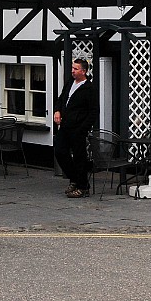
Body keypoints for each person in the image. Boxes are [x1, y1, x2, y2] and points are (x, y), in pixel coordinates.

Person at [53, 59, 99, 198]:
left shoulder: (89, 89)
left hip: (78, 128)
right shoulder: (69, 83)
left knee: (80, 157)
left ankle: (83, 187)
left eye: (76, 69)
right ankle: (74, 178)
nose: (73, 71)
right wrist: (57, 111)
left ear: (83, 71)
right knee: (60, 151)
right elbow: (61, 99)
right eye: (72, 68)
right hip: (65, 125)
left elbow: (93, 111)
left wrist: (83, 128)